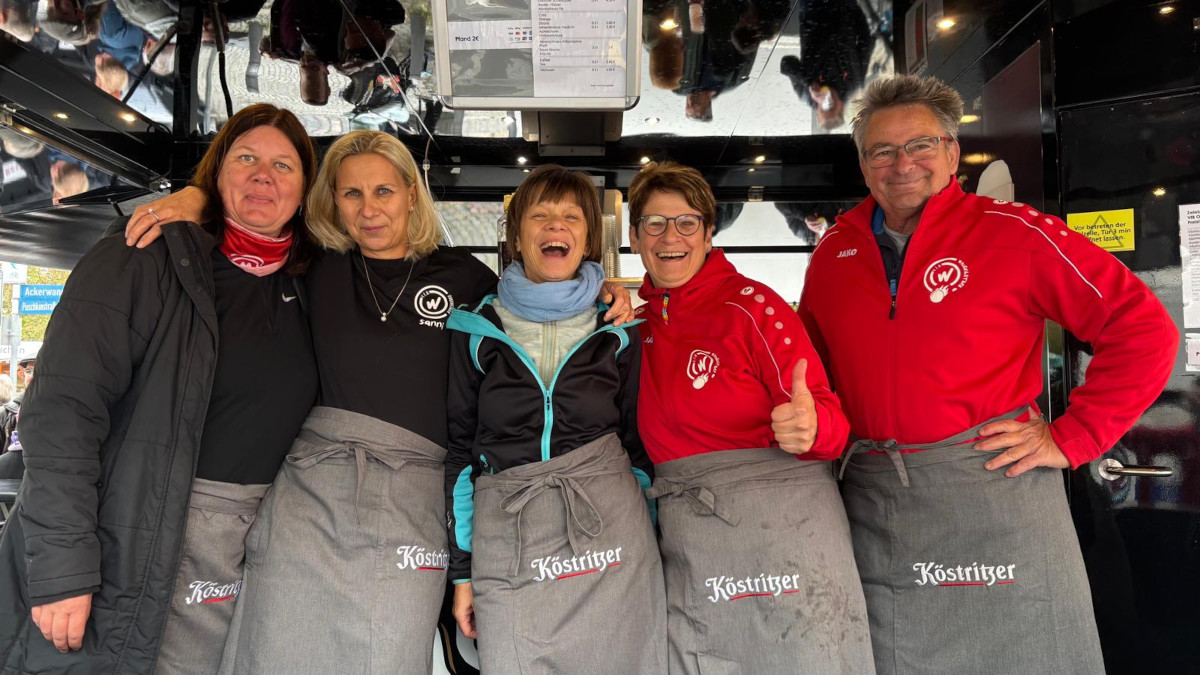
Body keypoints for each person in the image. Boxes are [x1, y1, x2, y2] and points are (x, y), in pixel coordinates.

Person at [123, 131, 633, 674]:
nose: (369, 210)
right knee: (277, 645)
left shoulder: (465, 278)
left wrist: (605, 289)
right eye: (352, 194)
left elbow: (537, 305)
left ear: (412, 194)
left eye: (384, 191)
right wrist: (196, 198)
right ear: (332, 202)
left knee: (387, 653)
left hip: (413, 502)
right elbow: (255, 210)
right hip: (311, 495)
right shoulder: (313, 264)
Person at [797, 75, 1178, 674]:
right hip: (872, 496)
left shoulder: (1014, 232)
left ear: (951, 153)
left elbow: (1144, 328)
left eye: (920, 145)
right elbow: (810, 372)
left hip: (993, 489)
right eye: (882, 151)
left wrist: (1072, 436)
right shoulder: (833, 252)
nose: (903, 165)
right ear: (864, 166)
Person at [0, 103, 320, 674]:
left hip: (244, 559)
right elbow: (60, 414)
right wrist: (63, 565)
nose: (262, 175)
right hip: (124, 541)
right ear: (216, 173)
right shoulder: (143, 254)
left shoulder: (313, 284)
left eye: (283, 165)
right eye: (244, 158)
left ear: (305, 191)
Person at [628, 161, 874, 674]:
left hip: (785, 528)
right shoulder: (633, 323)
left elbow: (828, 419)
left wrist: (812, 430)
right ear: (634, 236)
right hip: (692, 531)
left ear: (709, 231)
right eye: (654, 223)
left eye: (686, 222)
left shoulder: (753, 306)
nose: (670, 236)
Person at [445, 165, 666, 673]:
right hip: (511, 535)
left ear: (588, 236)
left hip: (608, 533)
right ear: (517, 235)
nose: (555, 226)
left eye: (571, 216)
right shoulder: (475, 326)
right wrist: (464, 574)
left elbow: (637, 450)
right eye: (540, 215)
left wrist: (650, 544)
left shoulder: (619, 328)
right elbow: (460, 455)